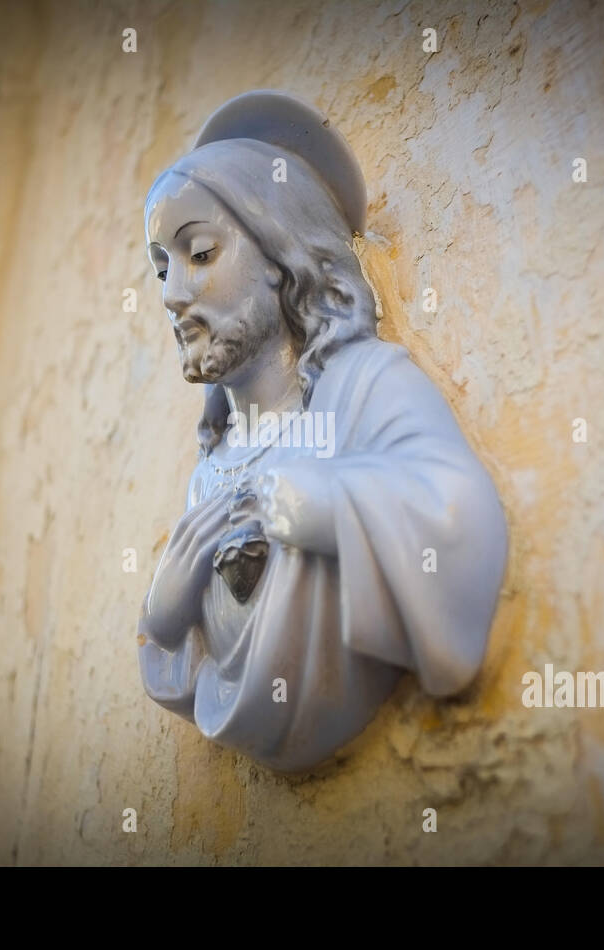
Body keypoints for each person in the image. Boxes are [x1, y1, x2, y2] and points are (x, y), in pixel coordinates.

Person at [137, 92, 507, 772]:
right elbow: (200, 649)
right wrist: (165, 618)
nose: (171, 293)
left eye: (200, 253)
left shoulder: (364, 386)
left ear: (281, 255)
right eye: (162, 267)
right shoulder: (209, 473)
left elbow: (459, 510)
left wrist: (329, 506)